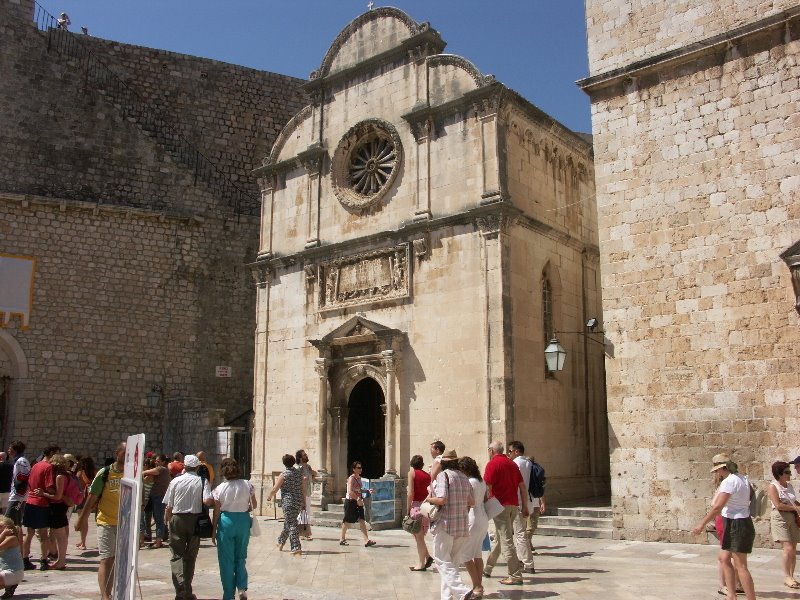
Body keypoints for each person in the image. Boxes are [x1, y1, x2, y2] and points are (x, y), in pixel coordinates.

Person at [692, 459, 756, 600]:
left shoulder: (729, 481)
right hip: (738, 521)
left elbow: (717, 506)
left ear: (723, 469)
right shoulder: (742, 478)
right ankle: (731, 595)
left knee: (741, 566)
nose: (717, 474)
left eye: (717, 470)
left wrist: (701, 524)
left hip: (737, 523)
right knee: (724, 558)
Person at [75, 442, 125, 600]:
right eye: (124, 452)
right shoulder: (105, 473)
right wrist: (81, 520)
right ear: (117, 453)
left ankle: (111, 592)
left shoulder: (133, 474)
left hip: (125, 524)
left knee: (117, 560)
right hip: (106, 521)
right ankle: (105, 595)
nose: (127, 456)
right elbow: (91, 499)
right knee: (106, 558)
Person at [425, 449, 474, 600]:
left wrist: (428, 500)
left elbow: (442, 499)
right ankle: (447, 597)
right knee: (452, 563)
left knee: (441, 560)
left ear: (444, 463)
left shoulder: (443, 476)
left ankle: (461, 589)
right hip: (461, 524)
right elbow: (472, 502)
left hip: (446, 524)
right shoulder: (464, 478)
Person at [163, 454, 213, 600]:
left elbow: (168, 506)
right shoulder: (202, 481)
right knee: (190, 556)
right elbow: (207, 501)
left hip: (177, 517)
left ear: (184, 466)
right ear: (197, 467)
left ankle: (180, 589)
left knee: (176, 555)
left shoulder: (175, 481)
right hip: (195, 520)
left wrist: (169, 522)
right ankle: (188, 589)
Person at [482, 440, 528, 585]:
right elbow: (522, 487)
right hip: (513, 505)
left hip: (499, 507)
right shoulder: (512, 464)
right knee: (501, 539)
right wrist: (525, 505)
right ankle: (488, 568)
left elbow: (486, 487)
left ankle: (515, 575)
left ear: (491, 450)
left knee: (506, 540)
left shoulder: (492, 464)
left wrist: (482, 506)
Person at [212, 458, 256, 600]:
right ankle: (242, 587)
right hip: (243, 521)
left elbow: (216, 511)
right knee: (241, 556)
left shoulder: (220, 488)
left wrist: (213, 531)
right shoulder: (247, 484)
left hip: (226, 522)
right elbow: (253, 504)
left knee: (226, 559)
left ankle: (228, 594)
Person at [22, 445, 59, 571]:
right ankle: (43, 561)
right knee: (43, 535)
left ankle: (25, 559)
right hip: (41, 503)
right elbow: (49, 487)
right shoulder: (48, 467)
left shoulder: (35, 465)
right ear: (52, 453)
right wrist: (56, 491)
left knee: (29, 533)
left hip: (30, 501)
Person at [458, 456, 489, 600]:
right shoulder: (481, 482)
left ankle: (477, 585)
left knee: (464, 554)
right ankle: (478, 588)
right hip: (483, 518)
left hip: (472, 517)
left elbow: (467, 501)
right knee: (477, 554)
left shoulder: (470, 482)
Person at [767, 460, 800, 589]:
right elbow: (778, 505)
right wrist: (797, 509)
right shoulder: (773, 486)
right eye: (787, 472)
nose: (789, 474)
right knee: (788, 548)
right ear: (779, 474)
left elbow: (793, 501)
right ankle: (787, 576)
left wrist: (797, 506)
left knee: (793, 547)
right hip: (780, 517)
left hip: (792, 517)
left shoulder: (789, 486)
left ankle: (791, 576)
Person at [267, 454, 304, 556]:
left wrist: (269, 496)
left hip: (288, 502)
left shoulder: (284, 474)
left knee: (292, 524)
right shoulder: (298, 473)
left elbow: (275, 488)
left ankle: (296, 548)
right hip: (298, 501)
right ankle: (280, 542)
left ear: (284, 463)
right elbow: (302, 487)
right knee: (289, 522)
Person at [338, 461, 376, 548]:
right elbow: (350, 491)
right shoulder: (351, 478)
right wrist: (358, 498)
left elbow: (359, 490)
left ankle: (366, 540)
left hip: (358, 502)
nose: (360, 469)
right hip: (351, 502)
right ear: (354, 469)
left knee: (362, 520)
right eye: (358, 468)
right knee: (347, 521)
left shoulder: (359, 478)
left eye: (361, 468)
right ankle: (342, 538)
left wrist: (368, 491)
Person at [4, 442, 29, 568]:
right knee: (16, 525)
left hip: (17, 498)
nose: (8, 449)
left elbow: (24, 477)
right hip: (17, 497)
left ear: (14, 449)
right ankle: (19, 552)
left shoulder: (21, 461)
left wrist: (19, 492)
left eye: (10, 447)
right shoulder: (19, 460)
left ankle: (13, 551)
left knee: (8, 523)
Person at [407, 454, 433, 571]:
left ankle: (421, 564)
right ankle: (427, 557)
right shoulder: (428, 476)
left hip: (416, 505)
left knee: (419, 536)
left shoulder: (412, 473)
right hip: (426, 506)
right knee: (419, 535)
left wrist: (408, 508)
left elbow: (410, 492)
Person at [141, 454, 170, 549]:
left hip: (159, 497)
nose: (156, 462)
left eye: (158, 461)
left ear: (163, 462)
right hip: (157, 497)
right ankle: (158, 540)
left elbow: (145, 472)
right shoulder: (162, 470)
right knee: (158, 519)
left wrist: (141, 471)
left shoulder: (161, 469)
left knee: (158, 519)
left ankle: (158, 541)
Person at [73, 455, 96, 550]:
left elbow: (77, 487)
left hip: (81, 499)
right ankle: (83, 541)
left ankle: (83, 542)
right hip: (90, 498)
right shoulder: (95, 472)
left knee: (82, 520)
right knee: (85, 520)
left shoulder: (79, 473)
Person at [295, 449, 316, 540]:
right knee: (303, 513)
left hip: (308, 491)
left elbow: (314, 474)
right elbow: (297, 481)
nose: (306, 456)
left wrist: (312, 474)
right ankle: (305, 533)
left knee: (306, 512)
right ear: (300, 457)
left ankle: (302, 533)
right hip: (301, 493)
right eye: (304, 455)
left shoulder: (308, 467)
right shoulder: (298, 468)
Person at [0, 516, 24, 599]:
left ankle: (10, 585)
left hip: (14, 572)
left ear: (8, 528)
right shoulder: (2, 538)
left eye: (0, 526)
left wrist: (3, 534)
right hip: (4, 570)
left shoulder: (12, 538)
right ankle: (9, 587)